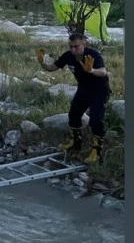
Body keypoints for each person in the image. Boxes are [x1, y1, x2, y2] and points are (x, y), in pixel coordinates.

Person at [37, 33, 111, 164]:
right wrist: (42, 62)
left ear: (84, 44)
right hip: (84, 89)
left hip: (99, 91)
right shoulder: (68, 56)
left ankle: (96, 151)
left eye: (76, 46)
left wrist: (91, 70)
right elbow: (52, 68)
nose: (73, 49)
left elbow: (103, 72)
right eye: (70, 46)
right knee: (74, 114)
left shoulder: (92, 54)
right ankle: (76, 143)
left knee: (96, 119)